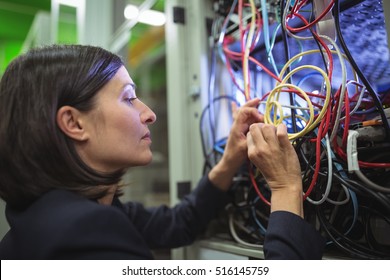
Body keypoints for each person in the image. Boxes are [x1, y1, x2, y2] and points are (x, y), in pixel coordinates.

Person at [0, 44, 324, 259]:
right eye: (128, 98)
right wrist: (286, 187)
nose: (149, 114)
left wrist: (229, 162)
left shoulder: (61, 214)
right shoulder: (83, 236)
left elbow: (178, 223)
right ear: (73, 122)